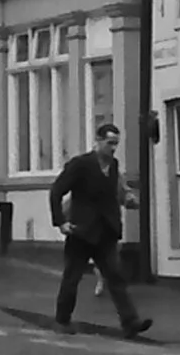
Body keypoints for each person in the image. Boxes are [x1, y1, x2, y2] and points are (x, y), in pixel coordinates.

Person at [49, 122, 152, 339]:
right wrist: (60, 222)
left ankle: (130, 322)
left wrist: (129, 200)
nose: (113, 148)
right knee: (72, 276)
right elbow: (57, 190)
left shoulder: (114, 167)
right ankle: (62, 319)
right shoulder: (80, 165)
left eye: (116, 144)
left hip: (106, 231)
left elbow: (118, 193)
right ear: (98, 141)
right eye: (109, 143)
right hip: (81, 231)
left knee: (116, 277)